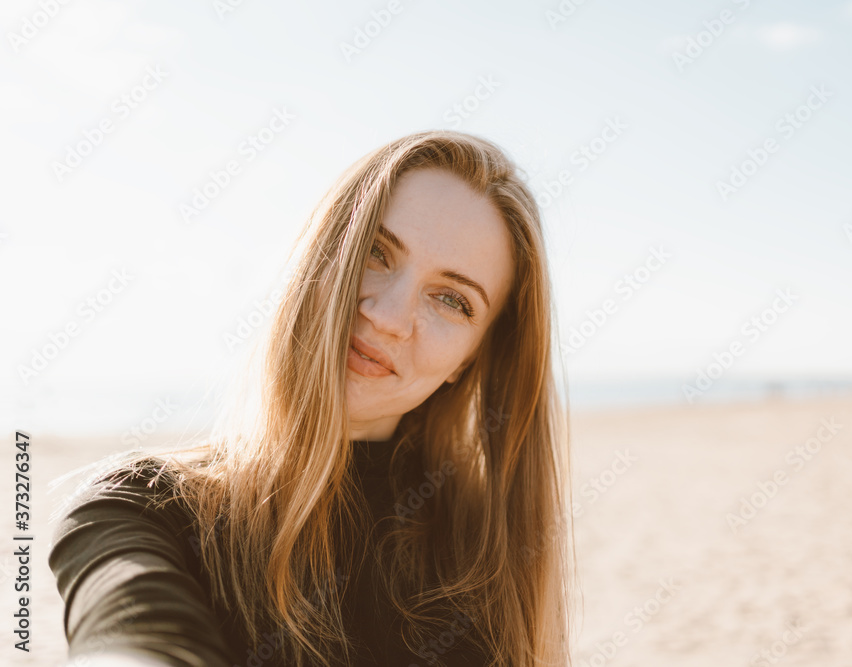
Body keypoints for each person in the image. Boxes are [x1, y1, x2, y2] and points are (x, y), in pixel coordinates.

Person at [48, 130, 576, 667]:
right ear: (319, 258)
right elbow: (135, 640)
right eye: (375, 251)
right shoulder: (141, 510)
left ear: (469, 360)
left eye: (451, 300)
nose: (388, 317)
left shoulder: (490, 558)